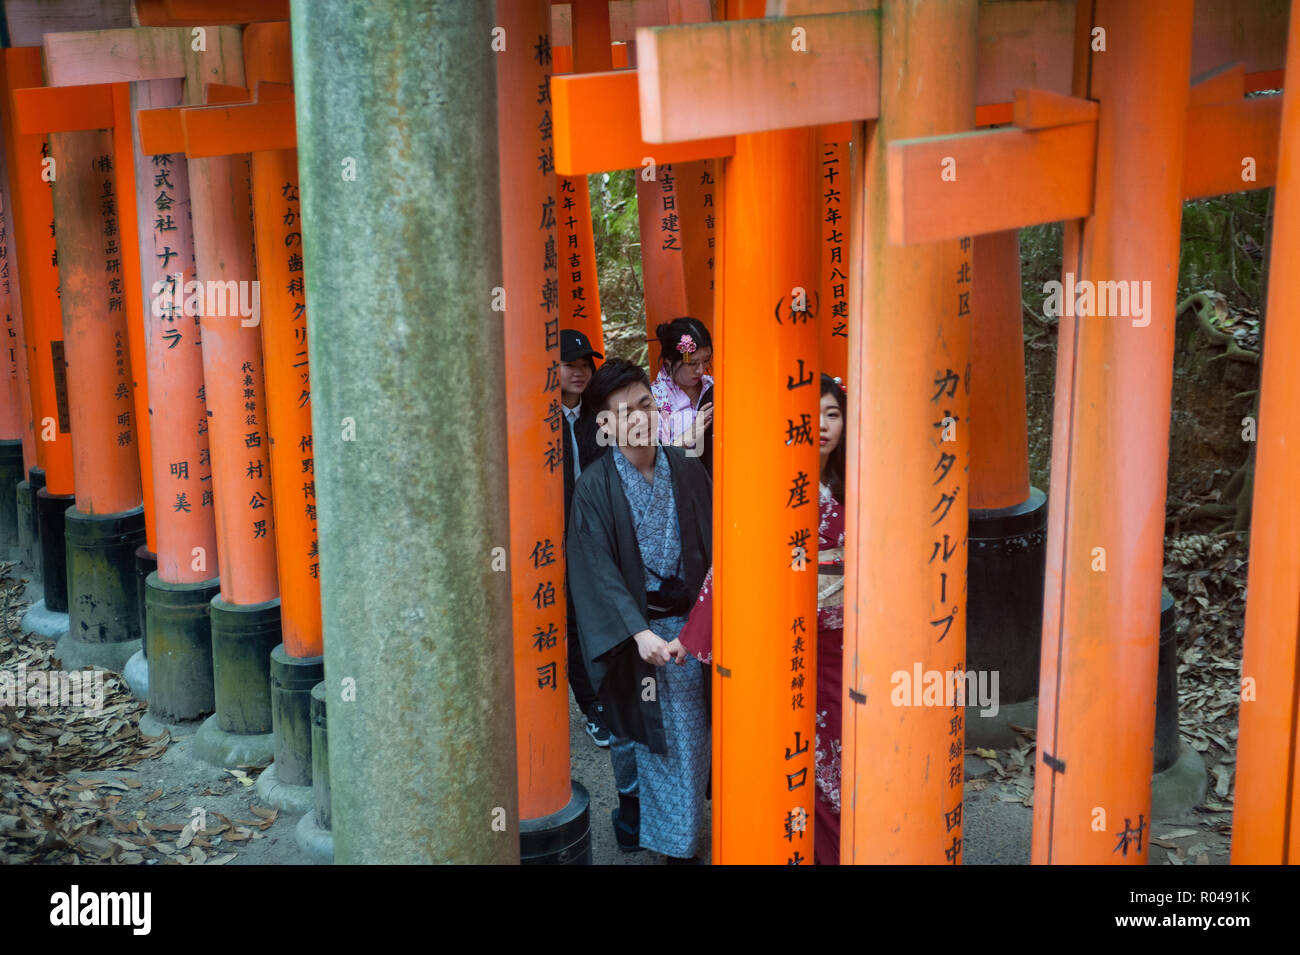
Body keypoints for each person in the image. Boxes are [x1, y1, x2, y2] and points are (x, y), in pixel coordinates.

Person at [669, 373, 848, 865]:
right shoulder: (771, 487)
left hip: (842, 645)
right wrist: (692, 635)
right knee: (781, 753)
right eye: (814, 415)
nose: (825, 425)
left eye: (833, 414)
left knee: (836, 762)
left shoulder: (860, 489)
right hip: (780, 641)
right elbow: (732, 562)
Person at [567, 358, 712, 863]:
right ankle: (655, 829)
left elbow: (718, 557)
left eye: (646, 405)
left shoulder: (689, 469)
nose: (640, 418)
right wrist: (637, 633)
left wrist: (698, 630)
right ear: (604, 424)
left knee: (686, 743)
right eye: (623, 412)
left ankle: (677, 842)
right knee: (642, 739)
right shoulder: (595, 487)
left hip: (690, 634)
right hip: (637, 637)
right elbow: (596, 570)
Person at [558, 329, 610, 746]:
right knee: (573, 622)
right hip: (555, 538)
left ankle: (612, 696)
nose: (579, 372)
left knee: (604, 612)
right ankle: (591, 705)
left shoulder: (597, 416)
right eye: (569, 364)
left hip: (596, 532)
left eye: (584, 365)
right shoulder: (537, 419)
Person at [650, 317, 714, 456]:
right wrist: (688, 437)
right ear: (669, 362)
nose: (700, 370)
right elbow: (653, 460)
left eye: (706, 361)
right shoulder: (653, 399)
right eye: (692, 363)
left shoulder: (714, 386)